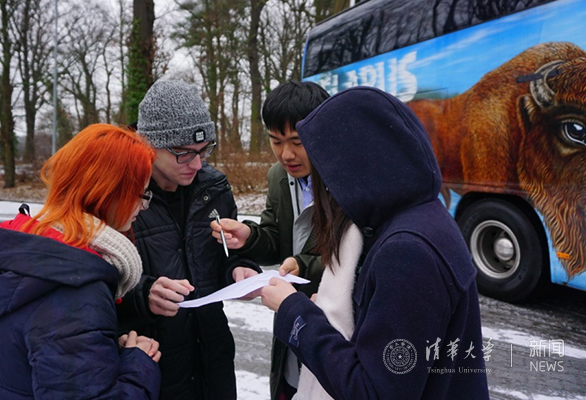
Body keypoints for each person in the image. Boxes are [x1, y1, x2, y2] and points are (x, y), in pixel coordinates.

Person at [260, 86, 490, 399]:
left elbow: (372, 390)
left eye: (326, 170)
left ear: (355, 162)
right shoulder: (418, 218)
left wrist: (295, 312)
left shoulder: (408, 253)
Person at [0, 124, 162, 400]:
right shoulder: (74, 287)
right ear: (107, 191)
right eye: (140, 194)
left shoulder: (33, 253)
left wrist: (103, 350)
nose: (143, 206)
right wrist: (138, 363)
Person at [117, 80, 261, 400]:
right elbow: (95, 282)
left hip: (213, 358)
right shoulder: (120, 196)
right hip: (152, 365)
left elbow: (225, 256)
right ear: (149, 144)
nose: (197, 164)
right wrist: (143, 295)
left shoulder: (214, 187)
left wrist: (240, 269)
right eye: (183, 154)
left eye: (204, 150)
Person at [210, 81, 329, 399]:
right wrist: (249, 236)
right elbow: (277, 239)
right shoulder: (279, 176)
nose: (286, 154)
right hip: (290, 318)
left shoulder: (345, 180)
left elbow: (357, 256)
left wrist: (303, 265)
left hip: (334, 322)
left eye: (297, 142)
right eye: (276, 141)